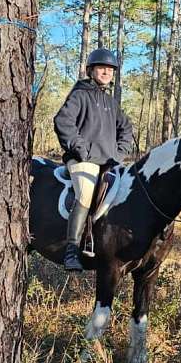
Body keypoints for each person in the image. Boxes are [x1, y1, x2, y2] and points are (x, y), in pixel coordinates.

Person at [54, 48, 133, 272]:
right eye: (102, 68)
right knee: (86, 194)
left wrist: (118, 153)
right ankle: (71, 250)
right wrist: (81, 148)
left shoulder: (111, 102)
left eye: (110, 69)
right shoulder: (79, 94)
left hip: (108, 161)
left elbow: (126, 129)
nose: (106, 72)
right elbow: (62, 121)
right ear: (91, 70)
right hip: (82, 160)